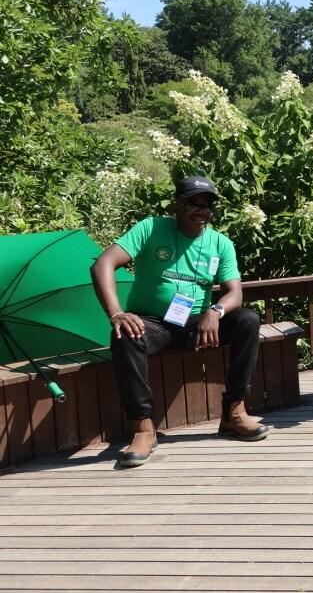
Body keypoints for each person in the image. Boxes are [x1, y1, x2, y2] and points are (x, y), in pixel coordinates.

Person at [90, 175, 268, 468]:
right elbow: (102, 264)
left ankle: (234, 412)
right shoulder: (151, 228)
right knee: (125, 333)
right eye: (193, 202)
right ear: (177, 204)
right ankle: (143, 429)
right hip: (153, 323)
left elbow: (234, 292)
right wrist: (117, 313)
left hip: (196, 323)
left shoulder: (220, 243)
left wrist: (215, 312)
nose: (201, 209)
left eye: (208, 203)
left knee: (248, 320)